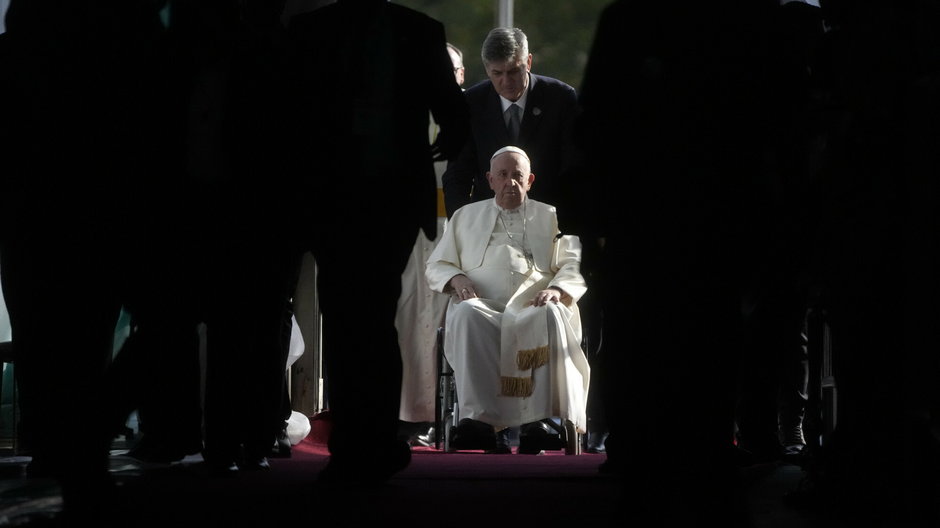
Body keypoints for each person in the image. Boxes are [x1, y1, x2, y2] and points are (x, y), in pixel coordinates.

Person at [574, 1, 779, 524]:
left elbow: (596, 123)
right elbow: (769, 125)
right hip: (711, 216)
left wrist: (594, 227)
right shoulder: (742, 21)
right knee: (708, 340)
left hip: (647, 217)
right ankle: (701, 458)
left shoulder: (629, 19)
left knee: (641, 341)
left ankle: (644, 460)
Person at [0, 0, 173, 520]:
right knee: (106, 333)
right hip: (106, 210)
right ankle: (82, 441)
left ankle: (60, 443)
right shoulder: (124, 47)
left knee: (41, 335)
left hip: (30, 215)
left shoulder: (17, 57)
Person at [286, 0, 470, 484]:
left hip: (339, 200)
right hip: (382, 200)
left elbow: (287, 113)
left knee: (348, 319)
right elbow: (454, 117)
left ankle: (356, 443)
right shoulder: (418, 30)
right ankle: (372, 440)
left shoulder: (310, 30)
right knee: (374, 321)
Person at [425, 146, 589, 455]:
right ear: (489, 179)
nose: (509, 183)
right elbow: (437, 265)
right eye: (502, 175)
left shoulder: (553, 216)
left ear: (531, 181)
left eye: (518, 176)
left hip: (533, 305)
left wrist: (557, 289)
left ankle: (536, 423)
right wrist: (457, 279)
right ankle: (480, 423)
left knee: (549, 314)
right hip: (482, 306)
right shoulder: (464, 216)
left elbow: (573, 263)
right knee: (467, 313)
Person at [396, 41, 467, 448]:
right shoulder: (408, 111)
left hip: (456, 233)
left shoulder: (471, 112)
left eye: (452, 70)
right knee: (408, 322)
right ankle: (407, 416)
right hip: (416, 233)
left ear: (460, 75)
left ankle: (456, 416)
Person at [440, 27, 579, 221]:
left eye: (514, 71)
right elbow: (457, 175)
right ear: (487, 69)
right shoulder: (471, 104)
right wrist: (463, 228)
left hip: (548, 221)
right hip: (489, 224)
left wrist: (568, 226)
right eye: (497, 73)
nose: (506, 81)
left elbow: (574, 168)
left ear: (528, 62)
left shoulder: (561, 99)